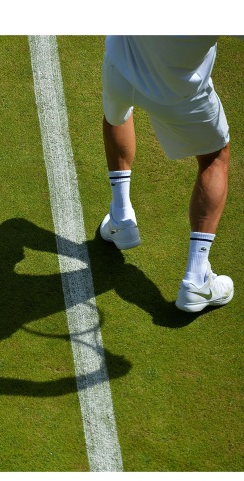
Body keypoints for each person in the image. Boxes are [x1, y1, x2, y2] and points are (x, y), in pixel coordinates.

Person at [99, 35, 235, 312]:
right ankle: (197, 280)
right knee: (214, 158)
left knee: (116, 116)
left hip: (120, 72)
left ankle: (121, 218)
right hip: (180, 95)